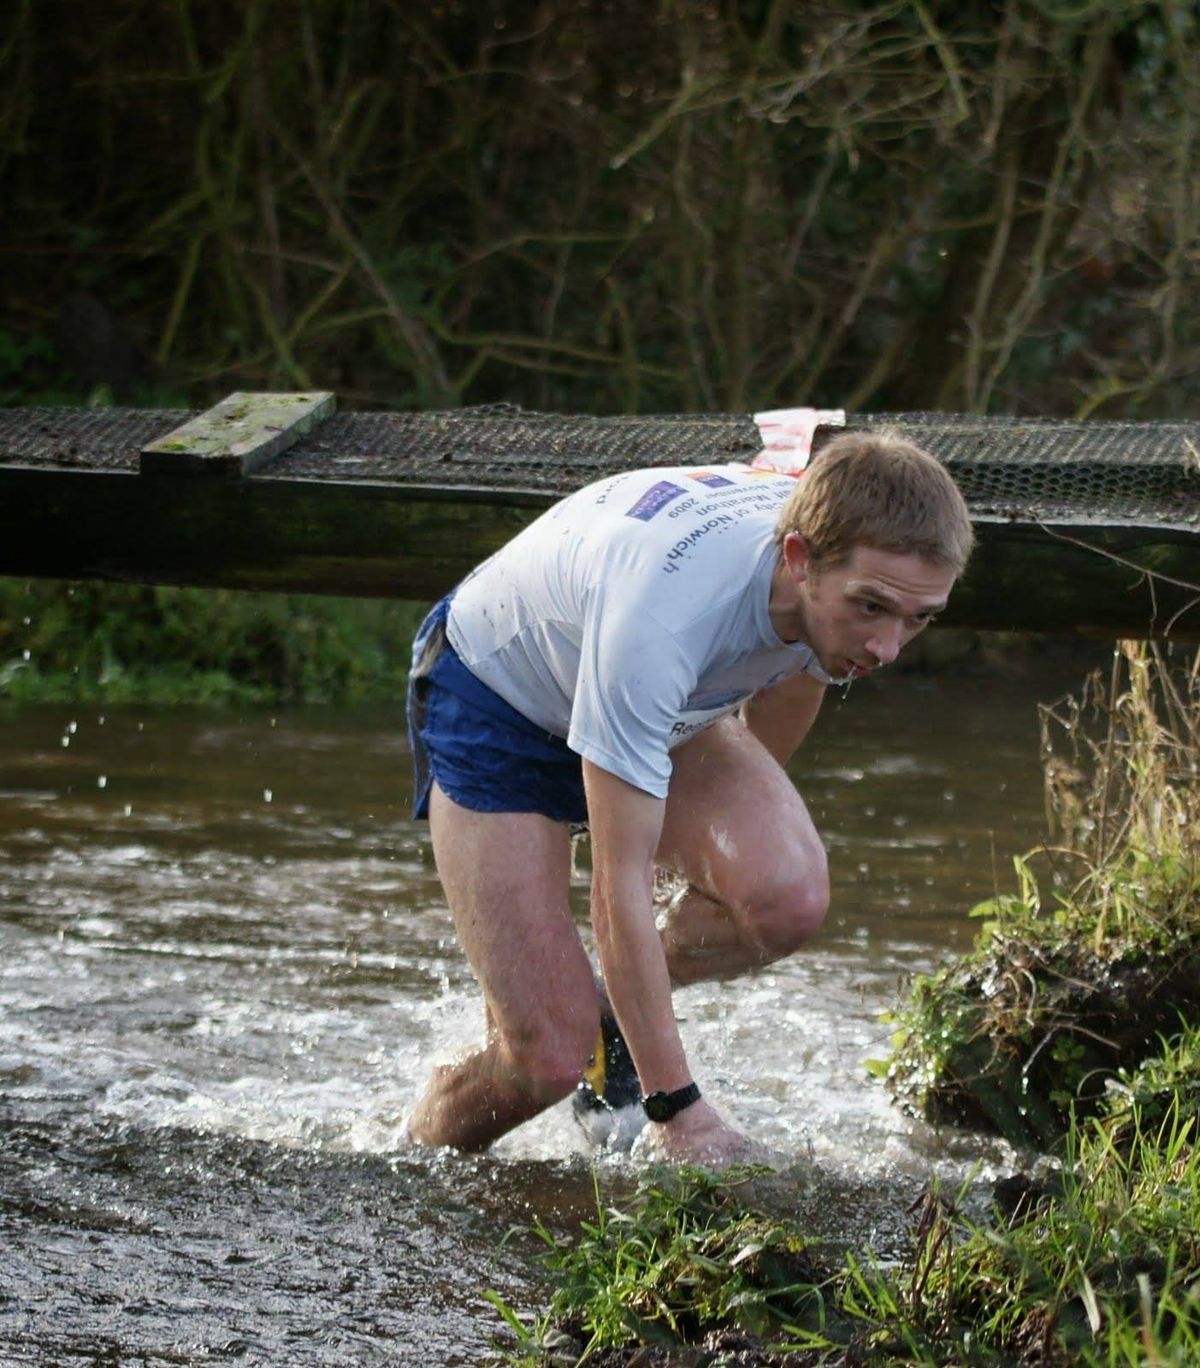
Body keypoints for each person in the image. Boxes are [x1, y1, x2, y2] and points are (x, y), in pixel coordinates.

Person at [404, 430, 974, 1167]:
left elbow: (780, 715)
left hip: (664, 703)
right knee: (545, 1056)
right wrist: (680, 1110)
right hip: (498, 693)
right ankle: (411, 1164)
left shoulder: (839, 595)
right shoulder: (666, 617)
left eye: (920, 618)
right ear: (799, 561)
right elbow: (620, 890)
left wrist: (710, 870)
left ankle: (608, 1011)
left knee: (783, 900)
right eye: (873, 609)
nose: (889, 648)